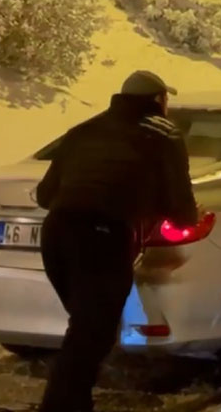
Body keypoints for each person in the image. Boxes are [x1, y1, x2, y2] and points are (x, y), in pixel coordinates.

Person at [34, 70, 198, 412]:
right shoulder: (165, 135)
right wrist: (182, 218)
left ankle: (74, 404)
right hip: (101, 239)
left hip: (56, 236)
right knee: (89, 337)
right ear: (158, 101)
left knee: (84, 331)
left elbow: (45, 194)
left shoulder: (83, 130)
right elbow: (180, 205)